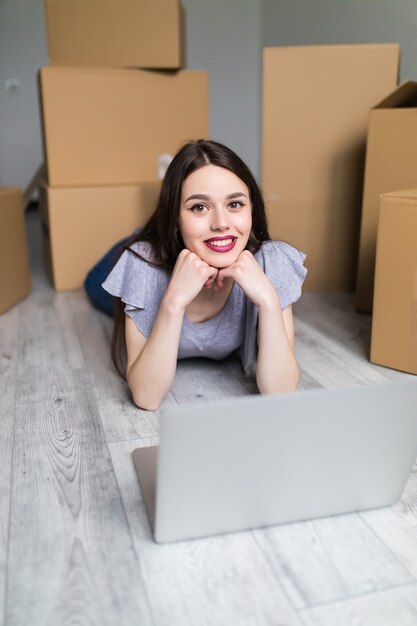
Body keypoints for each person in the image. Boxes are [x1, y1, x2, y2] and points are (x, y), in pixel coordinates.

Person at [102, 139, 307, 410]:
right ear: (175, 217)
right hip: (157, 251)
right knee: (98, 283)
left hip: (192, 240)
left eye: (235, 204)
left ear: (252, 210)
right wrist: (173, 301)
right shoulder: (142, 265)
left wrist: (268, 300)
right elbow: (146, 397)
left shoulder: (272, 261)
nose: (221, 223)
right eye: (199, 207)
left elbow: (280, 391)